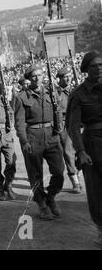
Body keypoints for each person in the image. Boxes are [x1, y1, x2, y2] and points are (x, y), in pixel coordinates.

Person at [14, 65, 65, 220]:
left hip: (51, 135)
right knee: (35, 173)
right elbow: (19, 122)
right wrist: (24, 141)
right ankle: (42, 204)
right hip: (32, 136)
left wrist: (59, 128)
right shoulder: (21, 97)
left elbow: (58, 112)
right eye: (34, 76)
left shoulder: (51, 93)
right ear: (29, 79)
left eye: (40, 75)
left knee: (59, 171)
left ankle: (51, 196)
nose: (38, 78)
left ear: (44, 76)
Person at [66, 51, 102, 247]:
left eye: (101, 65)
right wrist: (80, 151)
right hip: (92, 146)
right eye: (94, 66)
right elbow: (72, 126)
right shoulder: (79, 94)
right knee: (96, 190)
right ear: (87, 70)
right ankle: (101, 229)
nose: (99, 69)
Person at [56, 67, 81, 193]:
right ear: (59, 79)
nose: (68, 78)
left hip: (78, 121)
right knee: (68, 151)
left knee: (82, 149)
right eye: (65, 76)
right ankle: (75, 180)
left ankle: (77, 172)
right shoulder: (56, 92)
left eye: (69, 76)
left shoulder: (75, 90)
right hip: (64, 123)